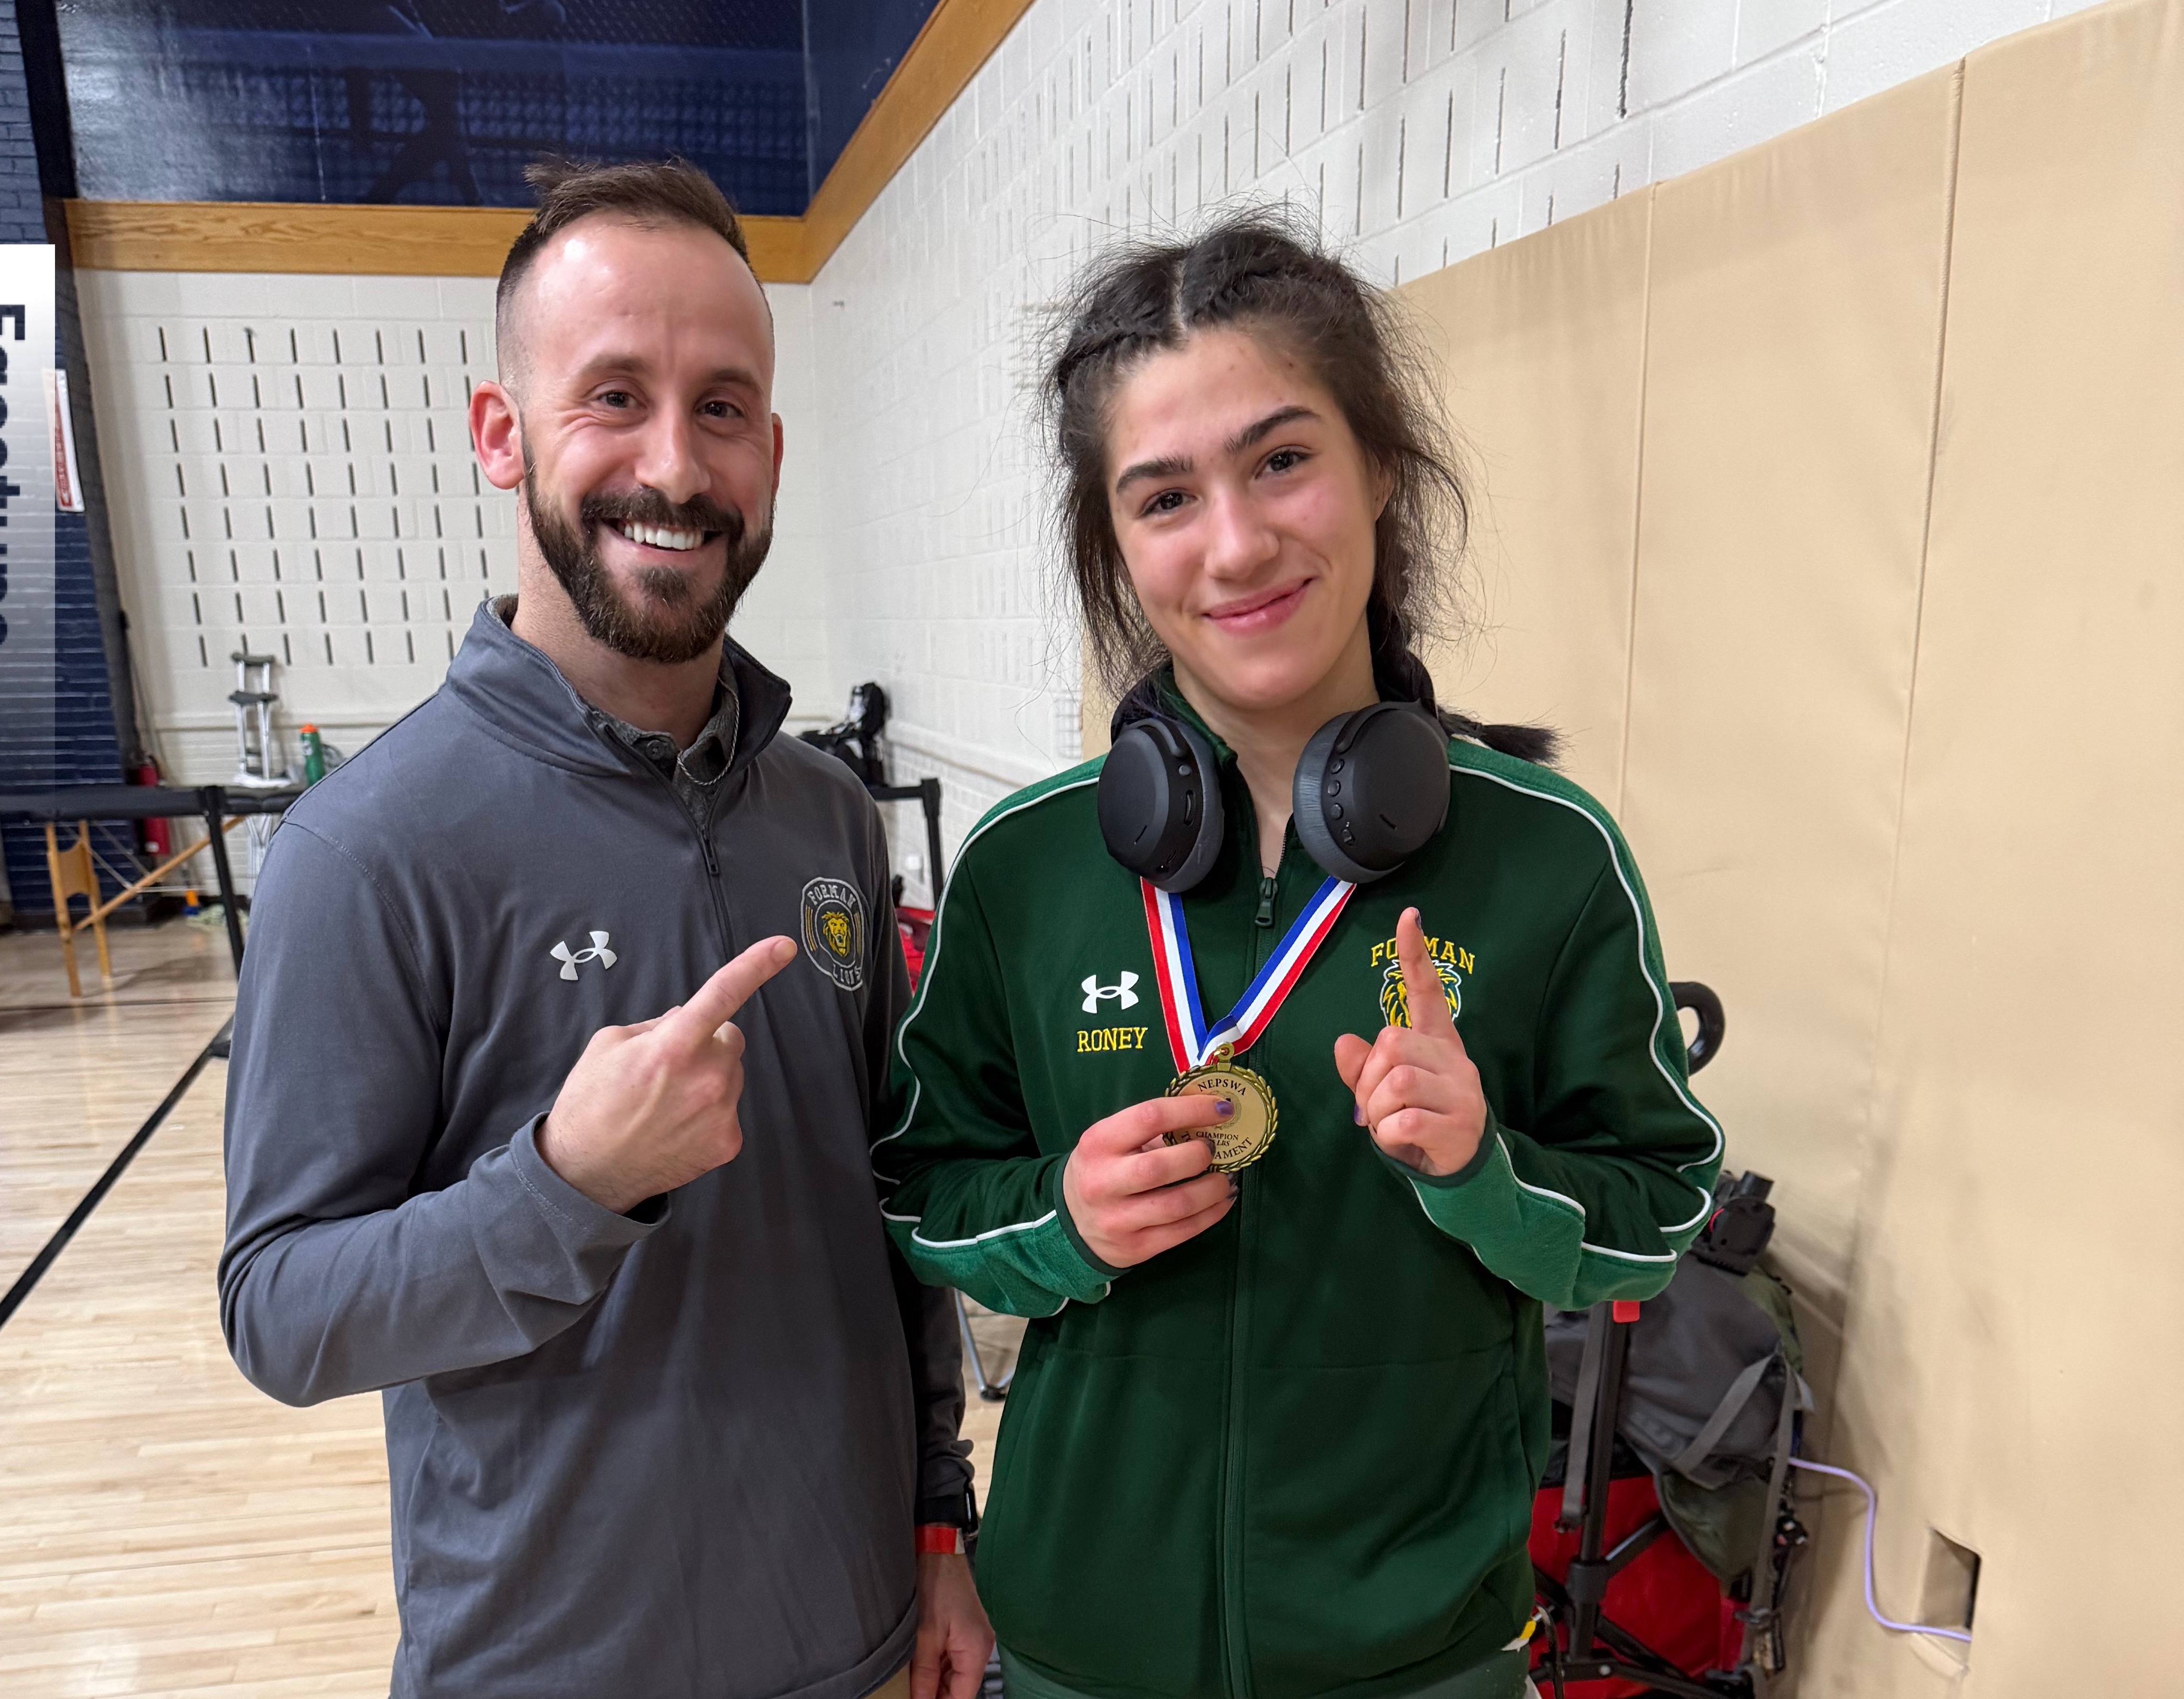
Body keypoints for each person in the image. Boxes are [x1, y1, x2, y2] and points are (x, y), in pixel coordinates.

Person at [874, 213, 1724, 1699]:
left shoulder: (1546, 857)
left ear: (1379, 465)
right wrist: (1062, 1219)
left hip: (1419, 1657)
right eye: (1163, 497)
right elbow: (919, 1196)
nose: (1236, 543)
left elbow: (1657, 1211)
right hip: (1082, 1647)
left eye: (1280, 461)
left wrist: (1488, 1180)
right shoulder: (1024, 867)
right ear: (1115, 545)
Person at [219, 158, 991, 1699]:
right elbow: (282, 1313)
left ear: (772, 450)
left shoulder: (828, 819)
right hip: (547, 1662)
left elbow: (889, 1203)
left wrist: (934, 1516)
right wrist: (563, 1184)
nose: (676, 467)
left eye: (722, 408)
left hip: (862, 1641)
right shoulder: (364, 851)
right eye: (614, 398)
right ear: (501, 434)